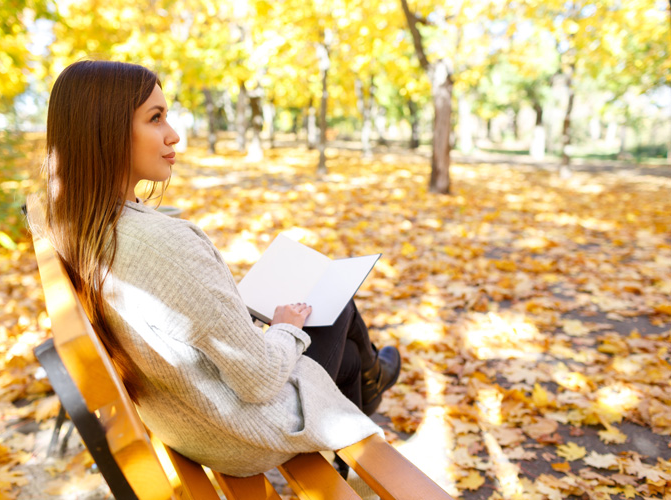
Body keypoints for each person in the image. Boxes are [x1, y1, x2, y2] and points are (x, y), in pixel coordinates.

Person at [34, 59, 401, 478]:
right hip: (242, 433)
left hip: (186, 415)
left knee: (348, 357)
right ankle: (375, 383)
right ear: (104, 130)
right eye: (156, 119)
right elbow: (260, 379)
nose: (174, 135)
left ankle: (369, 381)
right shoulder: (162, 244)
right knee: (336, 303)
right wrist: (283, 327)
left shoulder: (73, 222)